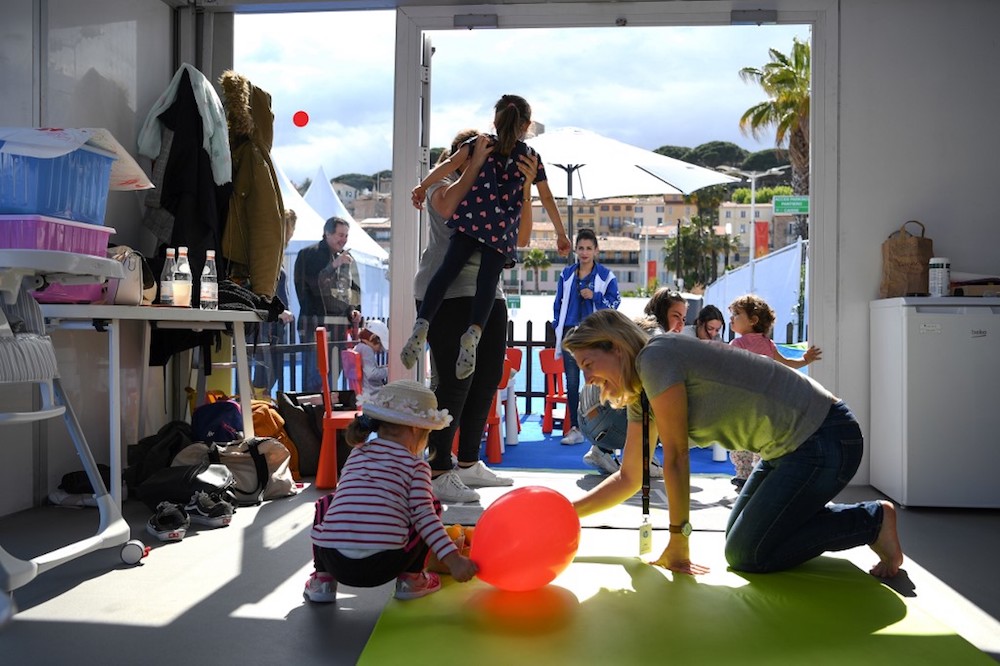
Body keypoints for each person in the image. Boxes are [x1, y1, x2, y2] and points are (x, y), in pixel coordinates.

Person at [563, 309, 903, 579]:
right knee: (740, 540)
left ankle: (870, 522)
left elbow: (677, 457)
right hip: (785, 450)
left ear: (616, 348)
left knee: (748, 554)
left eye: (588, 364)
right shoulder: (642, 392)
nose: (588, 377)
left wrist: (679, 540)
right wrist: (567, 514)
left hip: (825, 437)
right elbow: (630, 477)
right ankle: (841, 517)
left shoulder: (656, 357)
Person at [402, 94, 571, 380]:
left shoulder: (481, 144)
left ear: (495, 120)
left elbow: (446, 165)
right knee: (487, 284)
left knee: (445, 272)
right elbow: (547, 196)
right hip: (500, 232)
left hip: (471, 222)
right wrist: (561, 233)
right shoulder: (530, 158)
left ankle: (421, 324)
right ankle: (474, 332)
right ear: (527, 125)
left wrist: (422, 186)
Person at [411, 128, 539, 504]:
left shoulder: (498, 188)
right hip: (446, 293)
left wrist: (527, 187)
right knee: (453, 381)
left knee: (486, 378)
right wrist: (473, 163)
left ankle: (468, 461)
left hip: (488, 294)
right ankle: (437, 466)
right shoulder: (444, 184)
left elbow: (523, 238)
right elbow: (449, 207)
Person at [305, 380, 478, 603]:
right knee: (428, 506)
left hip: (335, 561)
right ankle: (412, 581)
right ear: (417, 430)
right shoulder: (416, 466)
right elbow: (424, 517)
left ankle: (322, 582)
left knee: (327, 503)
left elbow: (353, 504)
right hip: (384, 564)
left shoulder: (356, 454)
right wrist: (453, 560)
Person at [727, 293, 824, 489]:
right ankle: (758, 471)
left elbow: (728, 369)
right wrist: (805, 360)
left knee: (740, 438)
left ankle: (743, 474)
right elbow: (786, 363)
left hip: (744, 402)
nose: (731, 318)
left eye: (736, 314)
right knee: (763, 436)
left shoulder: (738, 344)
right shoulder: (768, 344)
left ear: (753, 320)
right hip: (767, 401)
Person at [552, 228, 621, 446]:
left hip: (594, 336)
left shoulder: (606, 276)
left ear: (596, 250)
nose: (584, 252)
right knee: (571, 384)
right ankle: (575, 428)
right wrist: (557, 326)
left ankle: (602, 430)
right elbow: (558, 304)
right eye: (580, 248)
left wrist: (596, 296)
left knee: (597, 383)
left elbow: (615, 305)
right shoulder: (566, 275)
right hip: (571, 335)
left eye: (588, 248)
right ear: (575, 250)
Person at [293, 217, 362, 392]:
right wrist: (334, 265)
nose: (344, 239)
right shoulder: (308, 254)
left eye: (346, 235)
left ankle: (329, 406)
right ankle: (313, 413)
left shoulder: (348, 258)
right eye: (340, 235)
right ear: (327, 233)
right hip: (315, 325)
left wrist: (354, 311)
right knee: (315, 376)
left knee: (334, 376)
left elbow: (354, 290)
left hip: (339, 326)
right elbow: (309, 286)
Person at [252, 208, 297, 398]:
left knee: (269, 374)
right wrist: (278, 312)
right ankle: (258, 411)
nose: (292, 232)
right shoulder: (268, 254)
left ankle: (260, 409)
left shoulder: (274, 254)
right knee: (265, 374)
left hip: (273, 326)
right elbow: (259, 290)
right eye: (291, 227)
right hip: (267, 326)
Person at [355, 319, 389, 395]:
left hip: (365, 391)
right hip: (373, 394)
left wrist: (384, 368)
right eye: (380, 345)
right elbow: (371, 374)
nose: (380, 350)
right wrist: (389, 370)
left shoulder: (359, 347)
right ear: (373, 338)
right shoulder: (367, 349)